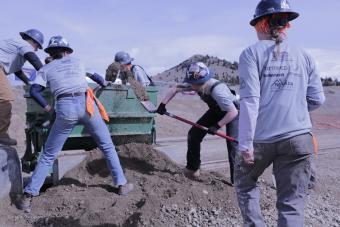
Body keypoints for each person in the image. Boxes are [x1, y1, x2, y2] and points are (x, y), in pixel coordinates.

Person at [235, 0, 325, 226]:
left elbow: (250, 100)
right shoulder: (305, 55)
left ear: (262, 25)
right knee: (292, 203)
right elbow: (317, 99)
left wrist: (245, 144)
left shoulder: (250, 54)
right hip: (298, 139)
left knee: (245, 183)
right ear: (286, 25)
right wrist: (294, 110)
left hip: (261, 140)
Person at [18, 36, 133, 210]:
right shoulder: (79, 62)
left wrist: (49, 108)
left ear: (50, 52)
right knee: (107, 146)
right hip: (87, 106)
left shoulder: (46, 69)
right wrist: (103, 83)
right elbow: (98, 78)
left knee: (49, 154)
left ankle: (28, 196)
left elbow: (34, 91)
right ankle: (122, 185)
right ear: (67, 51)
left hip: (65, 108)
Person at [157, 62, 239, 183]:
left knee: (233, 145)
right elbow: (175, 88)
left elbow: (233, 112)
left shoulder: (217, 90)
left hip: (235, 111)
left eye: (194, 84)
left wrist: (217, 126)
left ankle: (238, 182)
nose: (191, 86)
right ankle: (192, 169)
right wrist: (163, 104)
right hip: (216, 110)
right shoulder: (194, 84)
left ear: (202, 81)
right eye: (191, 82)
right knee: (194, 134)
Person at [0, 29, 44, 145]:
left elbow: (18, 71)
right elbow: (32, 58)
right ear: (33, 42)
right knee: (6, 99)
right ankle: (1, 135)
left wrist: (29, 82)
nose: (36, 50)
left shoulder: (15, 48)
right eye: (37, 47)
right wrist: (46, 73)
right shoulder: (25, 45)